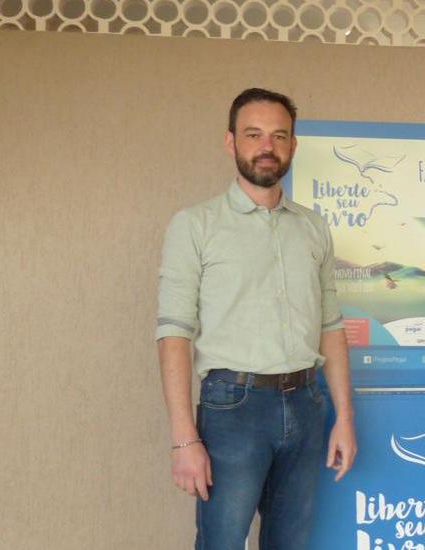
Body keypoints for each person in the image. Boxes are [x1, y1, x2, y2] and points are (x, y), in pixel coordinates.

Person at [155, 88, 357, 550]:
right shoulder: (195, 225)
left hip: (306, 405)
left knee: (290, 544)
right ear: (231, 142)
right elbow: (173, 334)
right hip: (233, 409)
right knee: (223, 543)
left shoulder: (313, 227)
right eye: (253, 134)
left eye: (279, 136)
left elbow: (330, 326)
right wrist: (184, 439)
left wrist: (344, 418)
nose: (267, 146)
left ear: (293, 146)